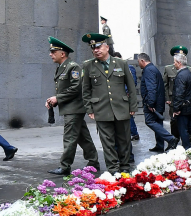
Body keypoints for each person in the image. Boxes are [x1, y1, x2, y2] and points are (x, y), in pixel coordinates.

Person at [80, 33, 136, 173]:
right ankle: (112, 168)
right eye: (93, 48)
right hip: (101, 109)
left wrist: (132, 106)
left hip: (121, 108)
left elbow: (131, 87)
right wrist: (89, 109)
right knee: (107, 142)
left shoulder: (121, 63)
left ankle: (124, 166)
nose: (95, 50)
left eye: (98, 47)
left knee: (124, 140)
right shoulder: (88, 66)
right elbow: (85, 90)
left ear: (107, 47)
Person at [46, 37, 99, 175]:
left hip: (74, 109)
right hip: (71, 108)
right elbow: (65, 89)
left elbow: (76, 88)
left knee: (69, 138)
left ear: (62, 53)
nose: (50, 54)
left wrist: (57, 98)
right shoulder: (61, 68)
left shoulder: (73, 67)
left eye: (53, 52)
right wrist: (54, 99)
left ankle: (65, 166)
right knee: (83, 137)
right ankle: (93, 162)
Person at [136, 53, 178, 152]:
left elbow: (151, 88)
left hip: (153, 102)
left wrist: (150, 103)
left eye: (139, 62)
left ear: (142, 61)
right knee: (158, 123)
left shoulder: (148, 70)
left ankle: (170, 138)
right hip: (158, 101)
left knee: (149, 121)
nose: (139, 65)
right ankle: (160, 145)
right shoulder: (153, 68)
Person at [170, 54, 191, 148]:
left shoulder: (181, 75)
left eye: (174, 62)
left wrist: (176, 109)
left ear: (179, 62)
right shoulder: (189, 73)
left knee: (183, 129)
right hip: (189, 106)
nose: (174, 64)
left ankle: (187, 148)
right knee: (190, 128)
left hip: (183, 108)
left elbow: (179, 93)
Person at [125, 59, 141, 141]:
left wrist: (127, 91)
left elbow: (132, 82)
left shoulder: (128, 67)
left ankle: (134, 133)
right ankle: (133, 133)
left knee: (129, 115)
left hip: (126, 96)